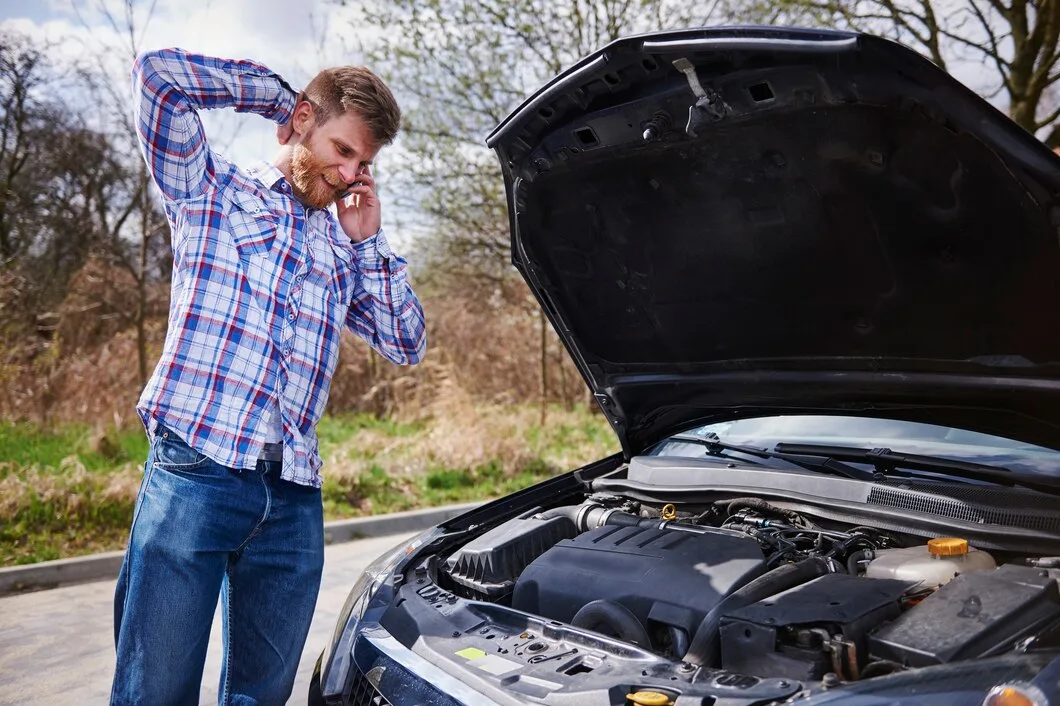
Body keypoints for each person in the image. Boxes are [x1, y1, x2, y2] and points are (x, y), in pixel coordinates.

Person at [109, 48, 426, 706]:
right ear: (305, 121)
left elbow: (407, 340)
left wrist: (369, 242)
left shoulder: (343, 248)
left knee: (262, 697)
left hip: (292, 497)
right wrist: (280, 100)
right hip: (196, 471)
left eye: (364, 163)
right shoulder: (209, 190)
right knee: (155, 691)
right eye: (342, 150)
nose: (349, 174)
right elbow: (158, 79)